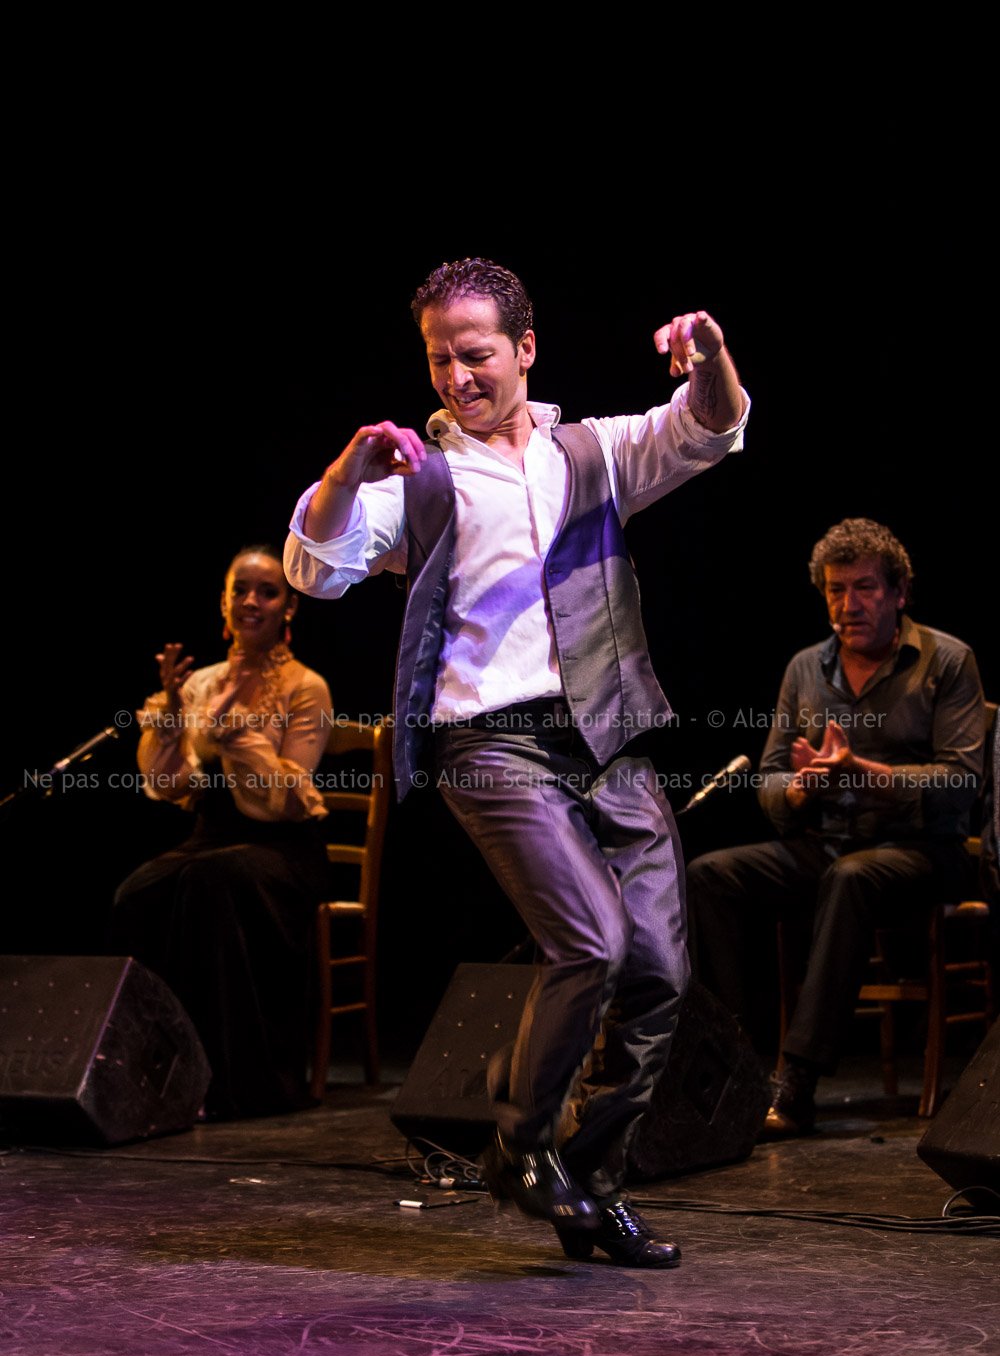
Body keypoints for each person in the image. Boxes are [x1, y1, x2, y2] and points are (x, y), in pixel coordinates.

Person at [285, 257, 749, 1267]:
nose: (456, 376)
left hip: (607, 732)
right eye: (438, 358)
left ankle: (592, 1183)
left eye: (476, 353)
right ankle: (522, 1140)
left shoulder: (591, 453)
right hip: (490, 740)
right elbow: (315, 571)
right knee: (591, 940)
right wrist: (346, 473)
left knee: (660, 972)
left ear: (524, 348)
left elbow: (709, 428)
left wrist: (709, 358)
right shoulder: (421, 475)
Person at [686, 518, 985, 1136]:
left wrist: (862, 772)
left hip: (923, 851)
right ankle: (735, 1060)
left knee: (852, 877)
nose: (849, 605)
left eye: (865, 588)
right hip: (825, 844)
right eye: (835, 590)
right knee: (709, 875)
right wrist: (800, 788)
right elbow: (769, 778)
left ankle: (796, 1085)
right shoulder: (805, 669)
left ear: (899, 592)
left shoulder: (947, 661)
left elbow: (961, 781)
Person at [112, 545, 333, 1119]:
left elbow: (288, 800)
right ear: (223, 602)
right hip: (211, 839)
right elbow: (170, 785)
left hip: (283, 849)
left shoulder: (306, 687)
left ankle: (240, 1082)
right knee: (138, 891)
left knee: (210, 882)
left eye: (268, 592)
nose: (251, 602)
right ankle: (159, 1072)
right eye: (241, 590)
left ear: (289, 608)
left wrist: (235, 731)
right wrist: (169, 718)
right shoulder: (201, 684)